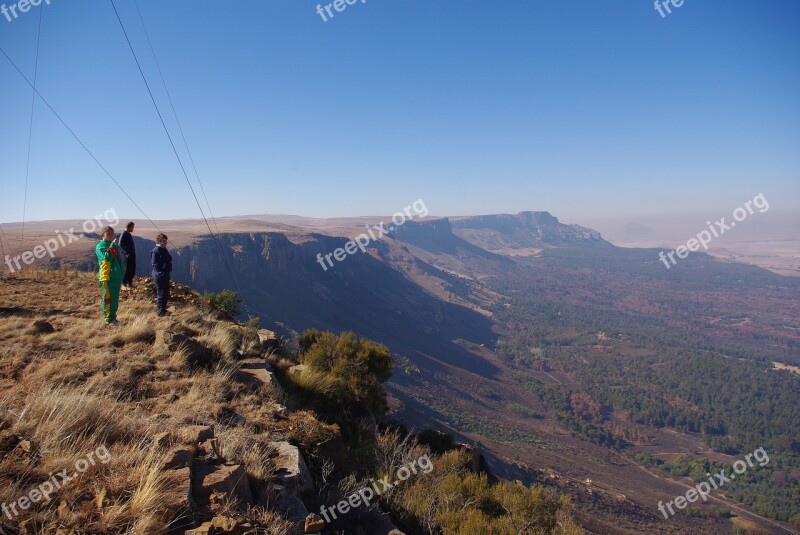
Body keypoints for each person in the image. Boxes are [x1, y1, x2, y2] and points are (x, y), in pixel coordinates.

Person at [96, 226, 124, 326]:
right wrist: (113, 245)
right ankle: (107, 319)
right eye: (108, 234)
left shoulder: (112, 245)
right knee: (108, 298)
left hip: (116, 276)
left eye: (112, 234)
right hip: (107, 277)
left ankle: (113, 318)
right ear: (102, 235)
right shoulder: (101, 246)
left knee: (115, 299)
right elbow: (107, 257)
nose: (111, 236)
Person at [151, 233, 172, 317]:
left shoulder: (163, 249)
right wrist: (163, 271)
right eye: (163, 241)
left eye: (166, 240)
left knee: (165, 292)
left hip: (164, 274)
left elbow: (169, 258)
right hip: (160, 275)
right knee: (161, 293)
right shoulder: (156, 251)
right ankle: (160, 312)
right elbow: (155, 265)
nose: (165, 242)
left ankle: (163, 309)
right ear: (159, 241)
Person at [120, 221, 136, 289]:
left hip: (132, 254)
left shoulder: (128, 234)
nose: (133, 229)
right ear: (129, 227)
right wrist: (126, 252)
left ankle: (129, 282)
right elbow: (120, 245)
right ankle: (124, 283)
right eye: (132, 227)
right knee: (128, 269)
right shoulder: (124, 234)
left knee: (132, 269)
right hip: (128, 255)